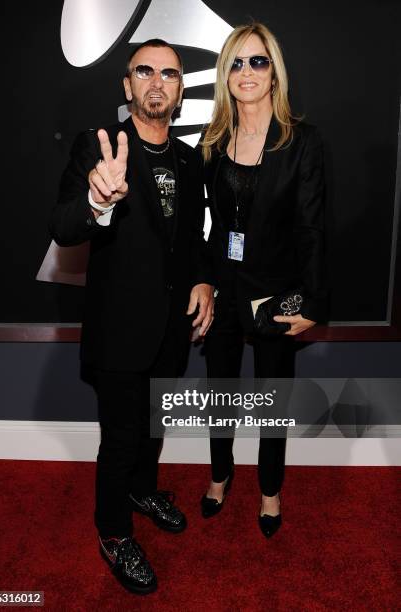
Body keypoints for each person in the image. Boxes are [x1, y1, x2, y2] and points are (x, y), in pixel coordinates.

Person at [50, 39, 214, 595]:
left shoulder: (191, 160)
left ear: (181, 88)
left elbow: (191, 240)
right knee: (120, 438)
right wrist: (100, 202)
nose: (157, 81)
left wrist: (203, 279)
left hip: (172, 329)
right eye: (144, 71)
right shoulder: (98, 150)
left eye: (170, 73)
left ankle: (143, 492)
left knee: (152, 429)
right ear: (128, 86)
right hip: (118, 329)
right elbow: (65, 226)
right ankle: (113, 533)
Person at [199, 23, 328, 537]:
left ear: (274, 72)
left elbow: (312, 227)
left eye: (258, 61)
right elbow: (205, 229)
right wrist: (202, 281)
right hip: (223, 290)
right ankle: (219, 475)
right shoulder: (211, 141)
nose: (246, 72)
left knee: (272, 400)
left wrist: (313, 301)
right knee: (220, 392)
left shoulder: (303, 142)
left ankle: (270, 490)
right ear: (226, 76)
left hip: (277, 291)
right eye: (236, 62)